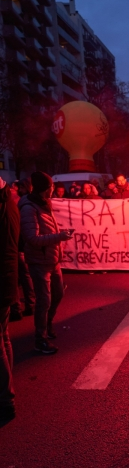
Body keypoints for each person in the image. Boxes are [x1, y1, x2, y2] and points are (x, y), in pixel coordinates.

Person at [19, 171, 72, 354]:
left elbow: (47, 229)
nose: (53, 191)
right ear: (44, 188)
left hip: (52, 259)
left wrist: (58, 241)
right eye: (50, 187)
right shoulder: (29, 208)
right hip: (39, 262)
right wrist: (59, 237)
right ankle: (39, 339)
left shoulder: (44, 204)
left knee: (58, 294)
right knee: (44, 300)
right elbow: (32, 238)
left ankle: (48, 325)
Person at [0, 177, 19, 422]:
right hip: (6, 280)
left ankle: (5, 400)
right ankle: (8, 389)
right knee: (3, 337)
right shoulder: (11, 205)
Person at [9, 179, 35, 321]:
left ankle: (16, 308)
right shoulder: (27, 202)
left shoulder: (14, 202)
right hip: (22, 244)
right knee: (25, 275)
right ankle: (30, 304)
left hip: (13, 244)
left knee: (13, 277)